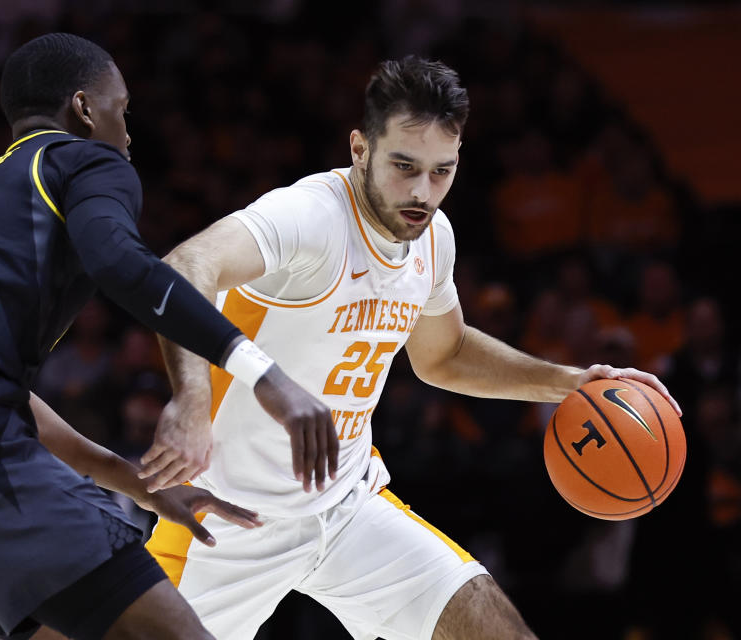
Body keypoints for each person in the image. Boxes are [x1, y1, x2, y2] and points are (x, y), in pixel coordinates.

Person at [143, 56, 682, 640]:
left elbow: (442, 355)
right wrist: (191, 398)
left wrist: (566, 382)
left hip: (346, 506)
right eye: (404, 166)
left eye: (441, 172)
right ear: (360, 148)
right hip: (227, 517)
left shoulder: (432, 236)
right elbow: (183, 267)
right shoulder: (310, 216)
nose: (423, 193)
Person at [0, 33, 336, 640]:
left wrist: (141, 489)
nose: (127, 135)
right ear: (84, 108)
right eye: (121, 111)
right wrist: (268, 377)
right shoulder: (84, 160)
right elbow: (122, 264)